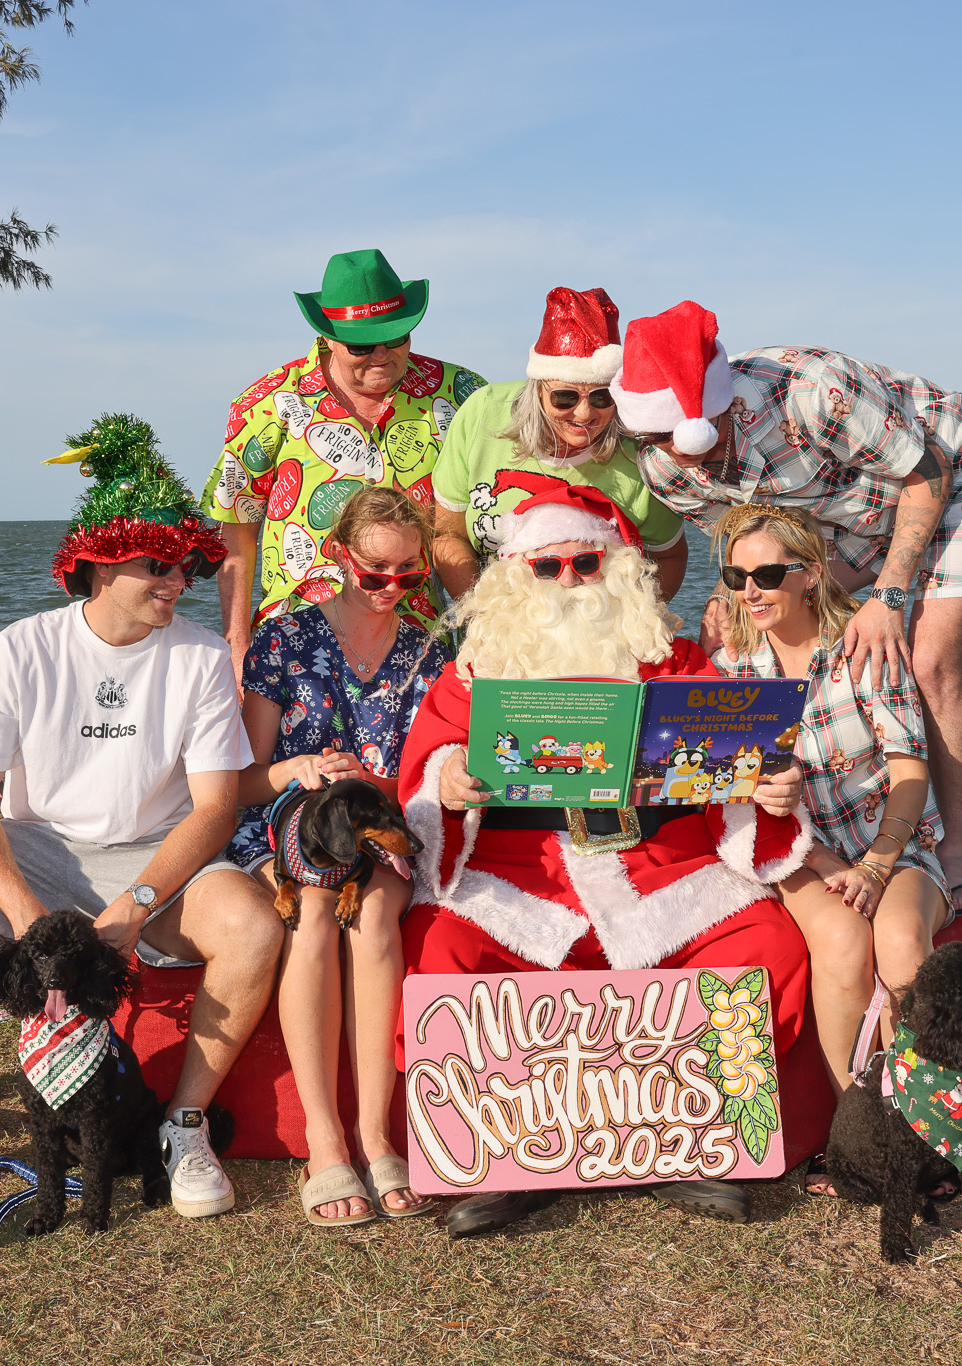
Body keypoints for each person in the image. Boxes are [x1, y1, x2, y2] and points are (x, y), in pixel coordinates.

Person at [0, 415, 283, 1220]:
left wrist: (138, 902)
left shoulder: (203, 655)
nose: (177, 581)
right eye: (156, 565)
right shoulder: (23, 645)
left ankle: (182, 1125)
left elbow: (213, 807)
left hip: (153, 853)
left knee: (253, 926)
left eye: (185, 565)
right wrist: (25, 914)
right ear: (98, 564)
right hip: (33, 850)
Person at [396, 485, 816, 1237]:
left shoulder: (675, 661)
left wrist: (768, 792)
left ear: (617, 566)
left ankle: (697, 1141)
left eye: (585, 563)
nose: (568, 582)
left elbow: (734, 766)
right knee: (437, 949)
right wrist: (448, 786)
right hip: (520, 874)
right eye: (546, 567)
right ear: (515, 575)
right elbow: (425, 774)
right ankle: (498, 1157)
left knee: (767, 944)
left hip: (662, 867)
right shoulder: (475, 671)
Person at [611, 302, 962, 912]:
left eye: (681, 437)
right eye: (654, 440)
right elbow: (756, 541)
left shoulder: (814, 391)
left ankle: (954, 850)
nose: (674, 454)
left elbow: (928, 473)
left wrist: (888, 594)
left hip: (958, 473)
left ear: (711, 410)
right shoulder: (665, 470)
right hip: (850, 513)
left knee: (930, 663)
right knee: (784, 614)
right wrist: (728, 595)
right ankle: (827, 823)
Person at [707, 503, 950, 1196]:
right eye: (736, 577)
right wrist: (805, 843)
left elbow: (910, 773)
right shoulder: (730, 671)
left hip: (892, 844)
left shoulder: (864, 651)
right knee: (842, 940)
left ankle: (922, 1134)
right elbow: (723, 791)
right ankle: (857, 1139)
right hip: (793, 850)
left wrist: (875, 863)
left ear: (811, 573)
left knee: (900, 943)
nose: (750, 591)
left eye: (767, 575)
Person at [225, 486, 450, 1226]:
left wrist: (376, 784)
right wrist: (298, 769)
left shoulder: (429, 649)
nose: (390, 589)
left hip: (384, 828)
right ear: (337, 555)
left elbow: (431, 774)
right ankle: (325, 1139)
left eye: (409, 575)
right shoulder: (284, 641)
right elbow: (244, 781)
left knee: (376, 916)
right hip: (291, 827)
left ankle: (376, 1134)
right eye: (374, 572)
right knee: (315, 909)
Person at [198, 248, 487, 678]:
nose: (382, 354)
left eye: (397, 337)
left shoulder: (462, 394)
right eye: (362, 345)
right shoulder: (267, 403)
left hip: (418, 645)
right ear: (327, 336)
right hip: (294, 646)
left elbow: (486, 516)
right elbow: (237, 532)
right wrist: (236, 647)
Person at [431, 286, 687, 600]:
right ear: (538, 389)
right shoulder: (483, 414)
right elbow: (448, 533)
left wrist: (636, 622)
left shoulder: (640, 451)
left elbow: (668, 556)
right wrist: (482, 615)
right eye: (565, 397)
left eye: (602, 397)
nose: (584, 413)